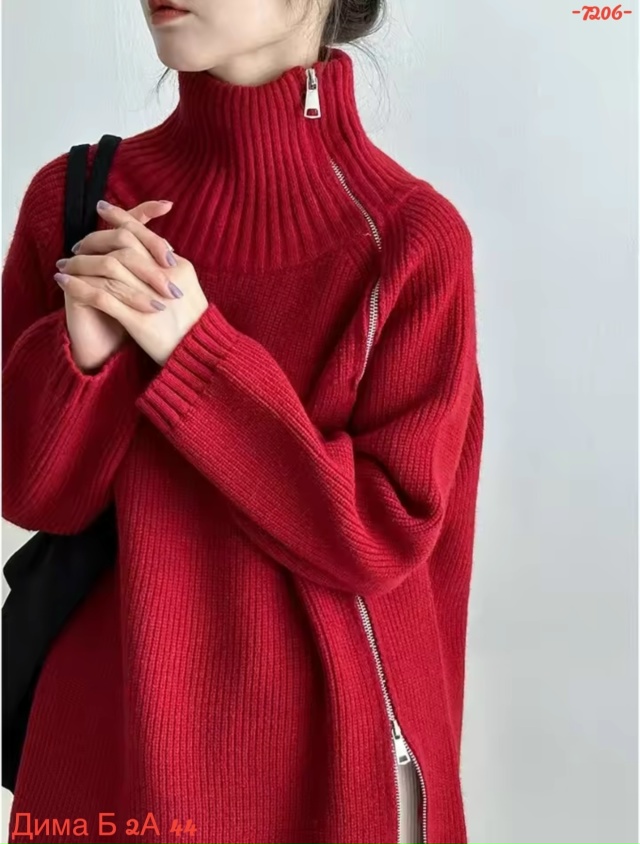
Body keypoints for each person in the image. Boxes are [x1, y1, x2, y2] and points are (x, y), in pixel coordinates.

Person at [2, 0, 484, 842]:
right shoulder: (78, 204)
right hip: (108, 747)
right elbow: (31, 495)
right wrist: (81, 357)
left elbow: (380, 535)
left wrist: (197, 355)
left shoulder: (408, 240)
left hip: (326, 765)